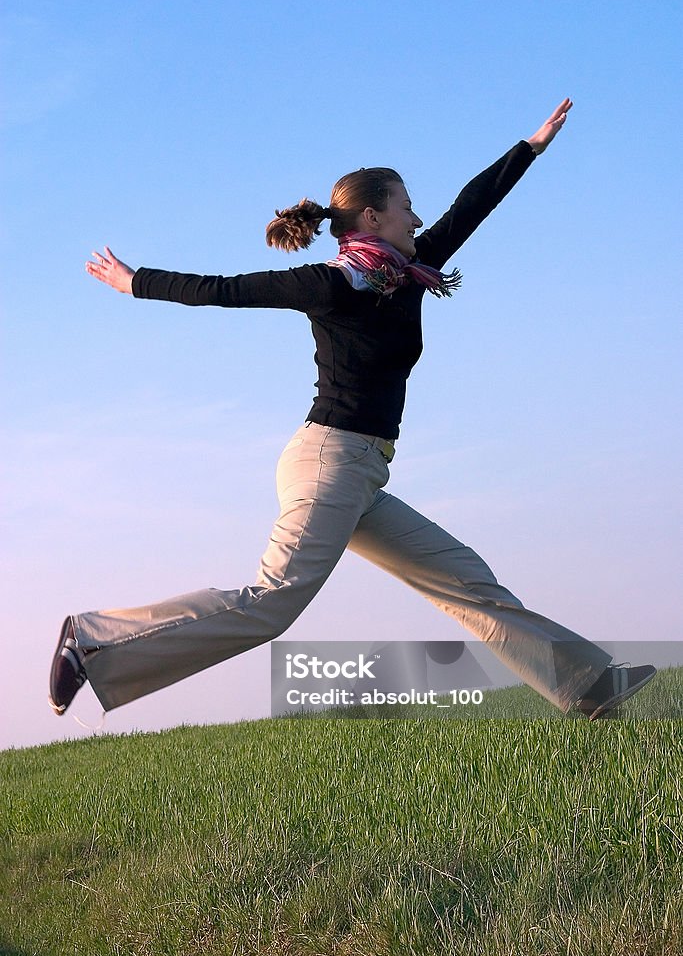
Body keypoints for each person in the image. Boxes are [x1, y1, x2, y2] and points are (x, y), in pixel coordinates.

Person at [49, 99, 656, 722]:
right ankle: (93, 640)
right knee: (272, 603)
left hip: (362, 473)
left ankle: (589, 687)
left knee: (467, 582)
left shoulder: (407, 273)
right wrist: (135, 281)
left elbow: (471, 207)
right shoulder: (332, 283)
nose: (417, 215)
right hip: (328, 462)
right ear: (374, 216)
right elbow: (222, 291)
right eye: (405, 204)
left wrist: (530, 146)